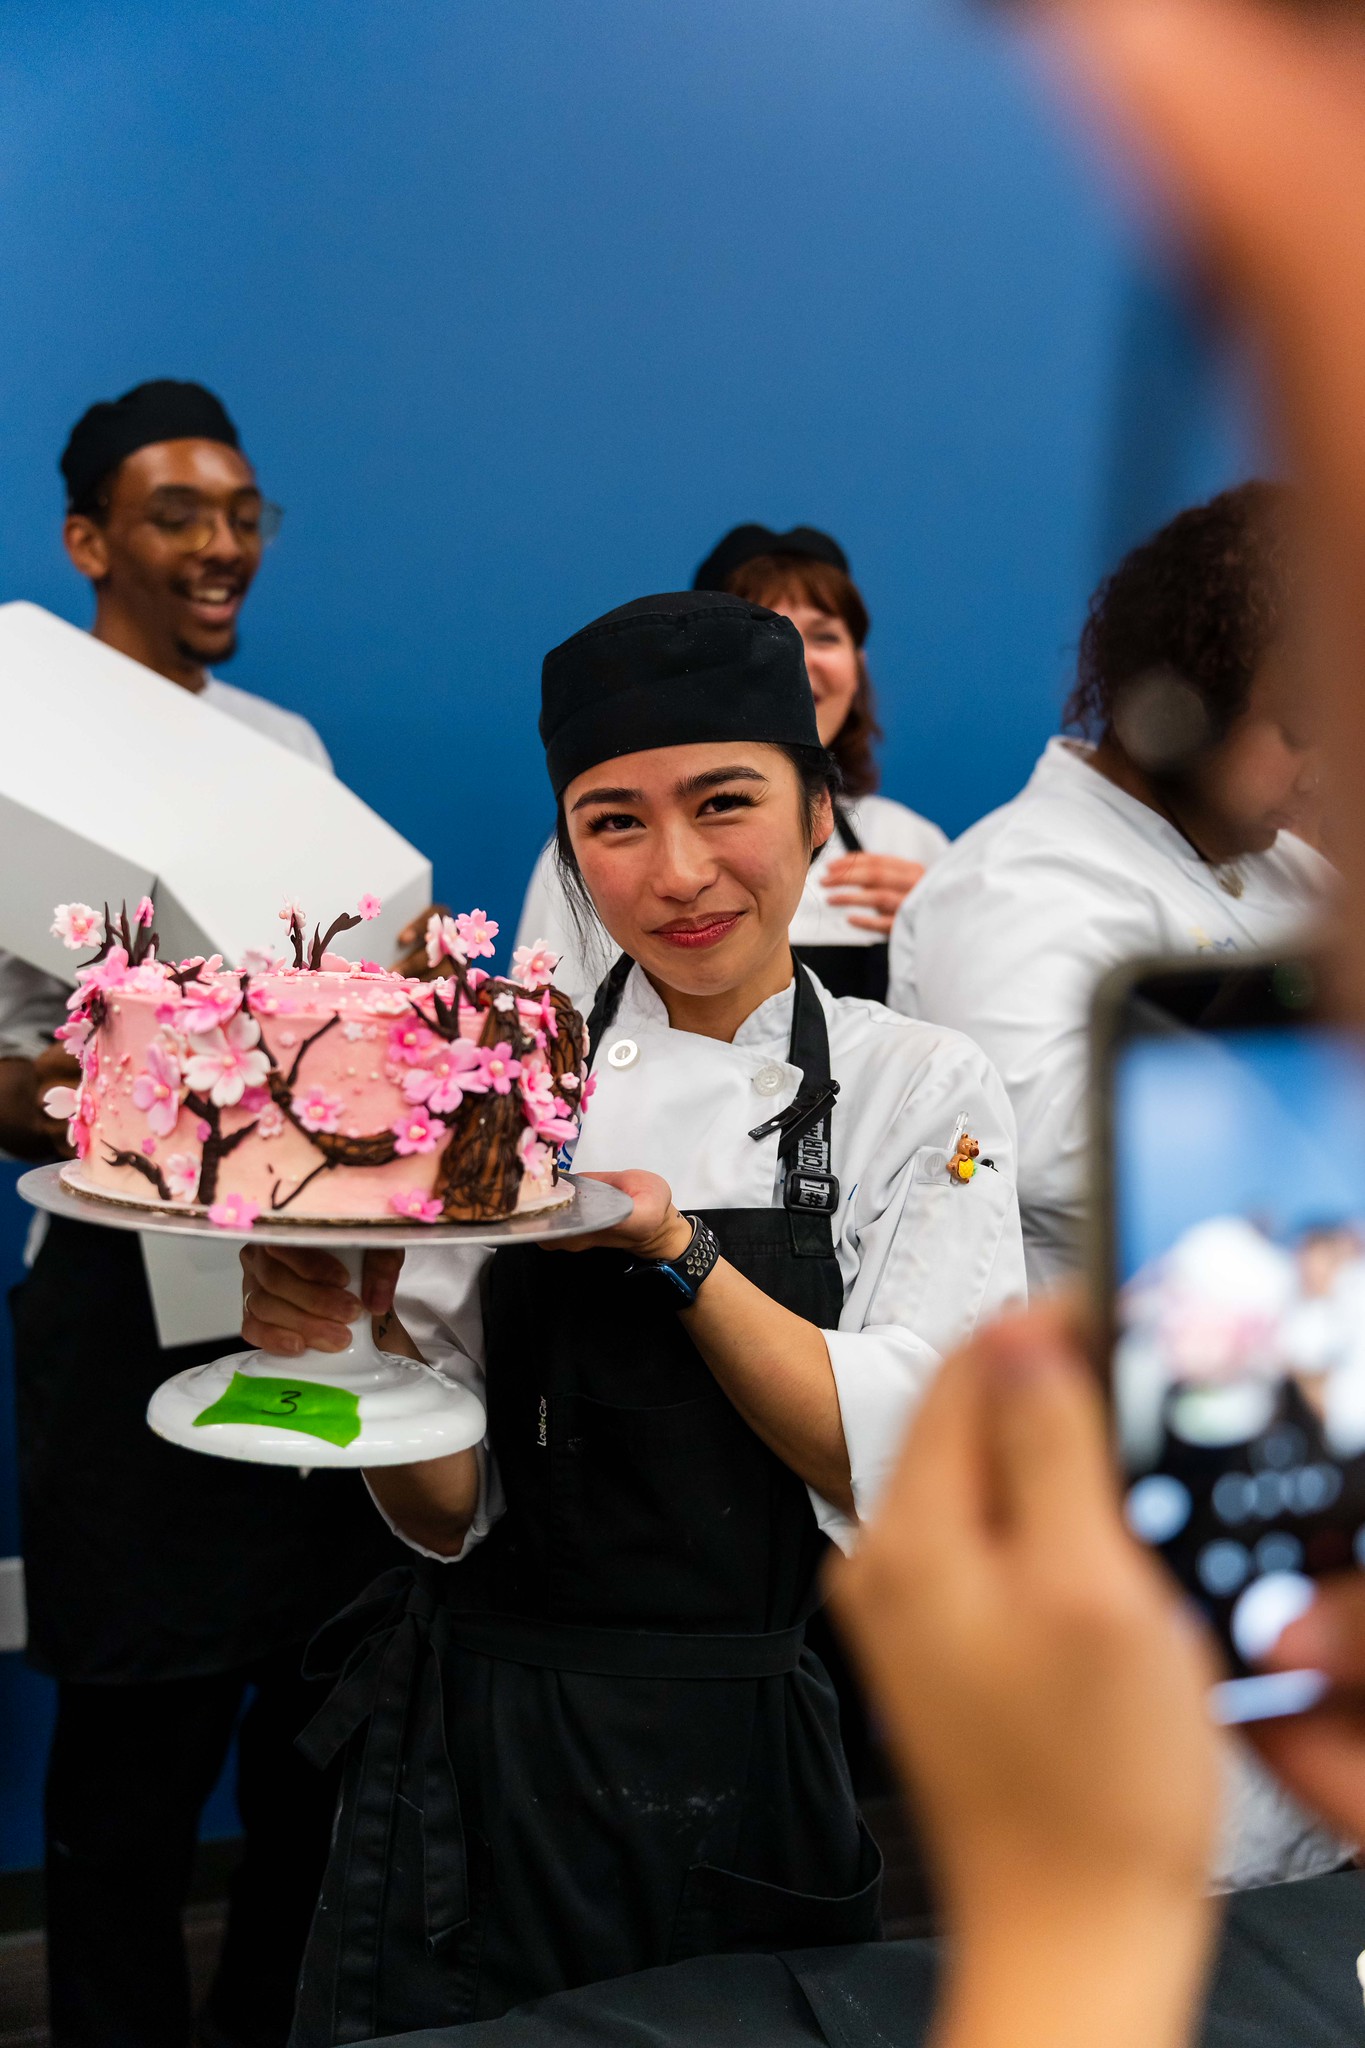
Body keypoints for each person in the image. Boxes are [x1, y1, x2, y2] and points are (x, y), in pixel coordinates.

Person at [239, 589, 1026, 2036]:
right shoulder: (497, 1084)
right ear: (568, 846)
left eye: (724, 803)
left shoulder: (922, 1089)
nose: (677, 873)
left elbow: (888, 1458)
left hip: (747, 1743)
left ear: (812, 809)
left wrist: (675, 1249)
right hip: (486, 1751)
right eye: (612, 821)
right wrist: (349, 1356)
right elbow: (448, 1502)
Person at [3, 379, 402, 2048]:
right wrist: (155, 1087)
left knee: (311, 1723)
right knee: (133, 1754)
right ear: (90, 538)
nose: (224, 543)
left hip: (294, 1282)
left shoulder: (284, 751)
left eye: (246, 511)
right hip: (112, 1296)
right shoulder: (18, 725)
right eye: (179, 512)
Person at [889, 482, 1330, 1295]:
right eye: (1302, 729)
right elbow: (1049, 1148)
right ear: (1173, 710)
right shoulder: (1014, 884)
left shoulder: (1289, 867)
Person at [515, 525, 947, 1005]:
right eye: (621, 821)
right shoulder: (596, 856)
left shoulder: (915, 845)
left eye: (824, 636)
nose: (681, 877)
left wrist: (943, 924)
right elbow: (554, 1039)